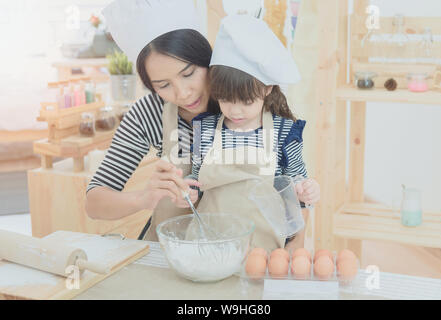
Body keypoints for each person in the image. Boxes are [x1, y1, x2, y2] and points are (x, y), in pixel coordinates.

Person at [85, 0, 219, 241]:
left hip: (242, 244)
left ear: (206, 59)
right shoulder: (148, 113)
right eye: (164, 85)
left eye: (188, 74)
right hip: (173, 249)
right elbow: (94, 202)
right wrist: (143, 198)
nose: (183, 93)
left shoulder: (243, 97)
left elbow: (290, 179)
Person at [187, 15, 320, 250]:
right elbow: (196, 180)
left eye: (246, 101)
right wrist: (186, 188)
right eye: (225, 99)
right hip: (210, 246)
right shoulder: (205, 129)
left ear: (268, 88)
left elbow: (297, 181)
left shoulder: (284, 132)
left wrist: (305, 189)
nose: (235, 110)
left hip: (265, 249)